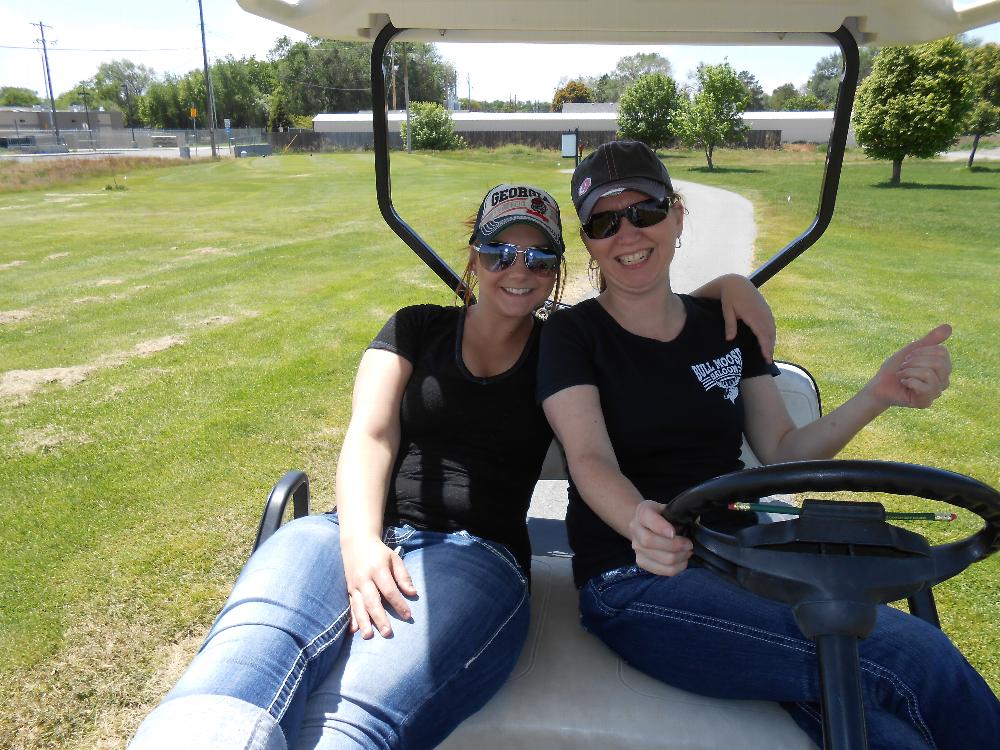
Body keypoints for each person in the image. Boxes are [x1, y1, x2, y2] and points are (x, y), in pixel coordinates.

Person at [129, 182, 774, 750]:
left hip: (473, 555)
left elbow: (656, 302)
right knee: (234, 673)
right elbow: (371, 435)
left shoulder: (563, 347)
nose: (516, 269)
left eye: (538, 256)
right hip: (344, 533)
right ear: (473, 257)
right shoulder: (415, 329)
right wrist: (359, 541)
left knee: (347, 721)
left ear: (555, 272)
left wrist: (731, 285)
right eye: (499, 251)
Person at [537, 139, 1000, 750]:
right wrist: (639, 520)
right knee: (914, 654)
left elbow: (783, 449)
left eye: (644, 212)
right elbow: (589, 457)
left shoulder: (726, 327)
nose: (627, 234)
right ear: (590, 240)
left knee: (892, 736)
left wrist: (878, 392)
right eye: (604, 221)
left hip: (753, 563)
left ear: (677, 215)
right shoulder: (574, 334)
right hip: (639, 576)